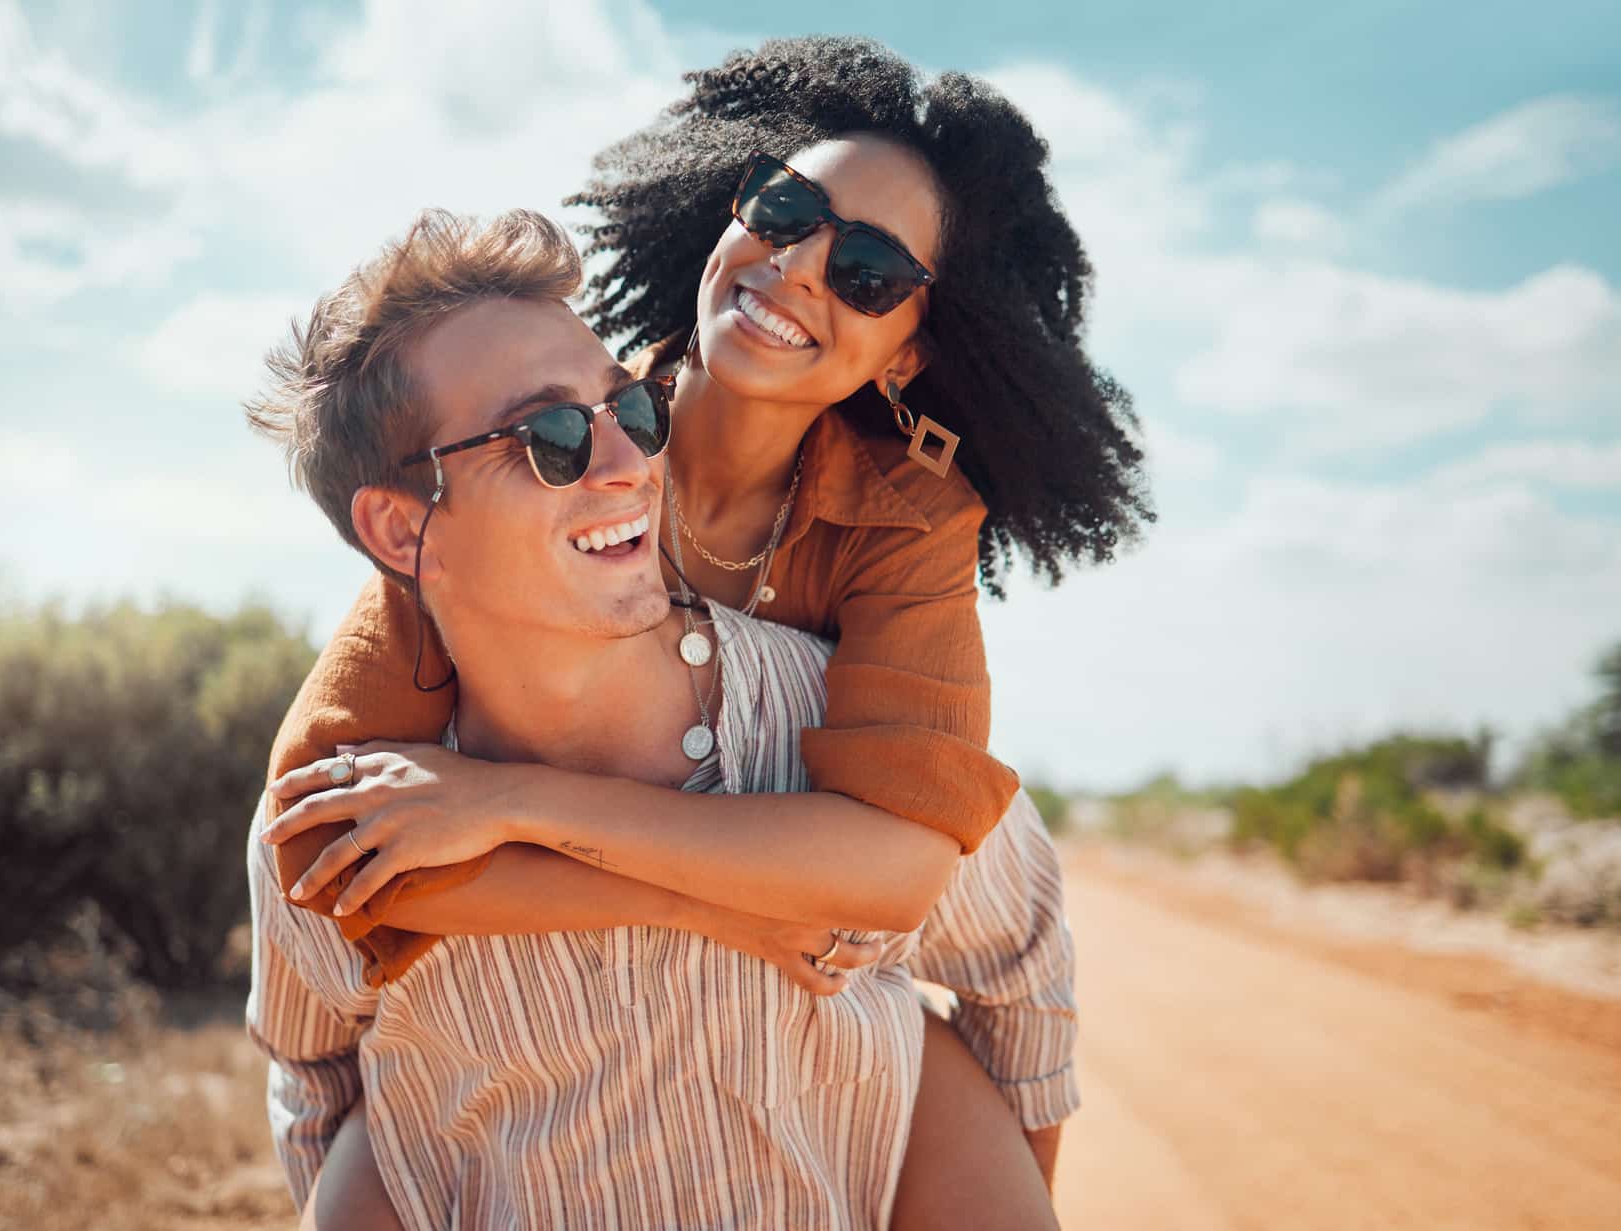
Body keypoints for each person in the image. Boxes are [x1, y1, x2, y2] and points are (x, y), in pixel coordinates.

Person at [260, 35, 1147, 1224]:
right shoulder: (560, 443)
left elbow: (901, 870)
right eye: (784, 211)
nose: (796, 269)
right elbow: (338, 844)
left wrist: (516, 805)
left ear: (909, 351)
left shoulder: (903, 519)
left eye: (870, 273)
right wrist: (722, 907)